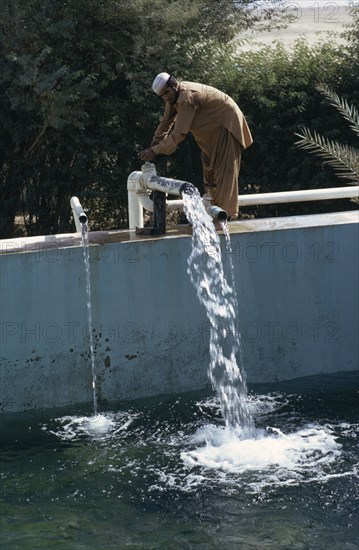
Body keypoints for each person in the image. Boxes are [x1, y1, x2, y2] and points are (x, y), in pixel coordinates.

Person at [138, 72, 253, 219]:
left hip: (226, 127)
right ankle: (213, 214)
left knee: (224, 175)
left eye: (166, 93)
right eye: (162, 96)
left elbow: (178, 134)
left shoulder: (187, 98)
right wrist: (154, 142)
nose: (166, 97)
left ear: (174, 85)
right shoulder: (173, 98)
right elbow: (166, 122)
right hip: (210, 135)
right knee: (210, 176)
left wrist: (154, 151)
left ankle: (227, 218)